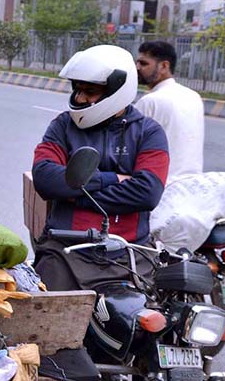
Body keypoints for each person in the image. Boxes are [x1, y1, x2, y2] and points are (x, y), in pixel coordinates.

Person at [32, 45, 170, 292]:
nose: (80, 98)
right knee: (43, 317)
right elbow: (44, 178)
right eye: (77, 89)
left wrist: (73, 193)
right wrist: (113, 179)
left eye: (90, 91)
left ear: (118, 89)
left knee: (148, 321)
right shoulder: (63, 126)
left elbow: (147, 192)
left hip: (129, 253)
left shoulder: (149, 133)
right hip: (65, 249)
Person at [135, 41, 204, 180]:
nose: (137, 67)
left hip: (160, 187)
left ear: (164, 66)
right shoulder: (193, 96)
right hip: (192, 186)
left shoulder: (150, 101)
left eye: (143, 63)